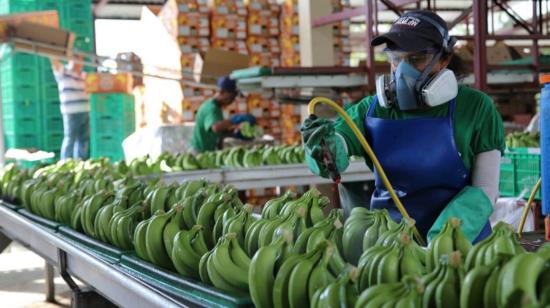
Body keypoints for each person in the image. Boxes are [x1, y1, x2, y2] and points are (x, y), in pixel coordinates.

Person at [302, 10, 505, 243]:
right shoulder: (372, 109)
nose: (402, 71)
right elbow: (340, 143)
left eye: (416, 59)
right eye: (396, 58)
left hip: (462, 244)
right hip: (391, 245)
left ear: (444, 59)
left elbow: (486, 189)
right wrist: (324, 148)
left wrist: (445, 239)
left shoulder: (476, 108)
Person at [51, 56, 90, 160]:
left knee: (83, 139)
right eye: (75, 59)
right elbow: (54, 60)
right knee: (70, 138)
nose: (78, 62)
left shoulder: (84, 75)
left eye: (80, 60)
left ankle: (81, 161)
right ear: (70, 60)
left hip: (85, 110)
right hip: (71, 112)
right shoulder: (63, 72)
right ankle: (66, 162)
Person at [191, 76, 243, 153]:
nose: (233, 100)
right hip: (201, 152)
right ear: (222, 91)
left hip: (207, 151)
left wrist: (233, 133)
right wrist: (234, 119)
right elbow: (216, 127)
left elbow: (215, 130)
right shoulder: (211, 108)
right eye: (232, 96)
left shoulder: (215, 107)